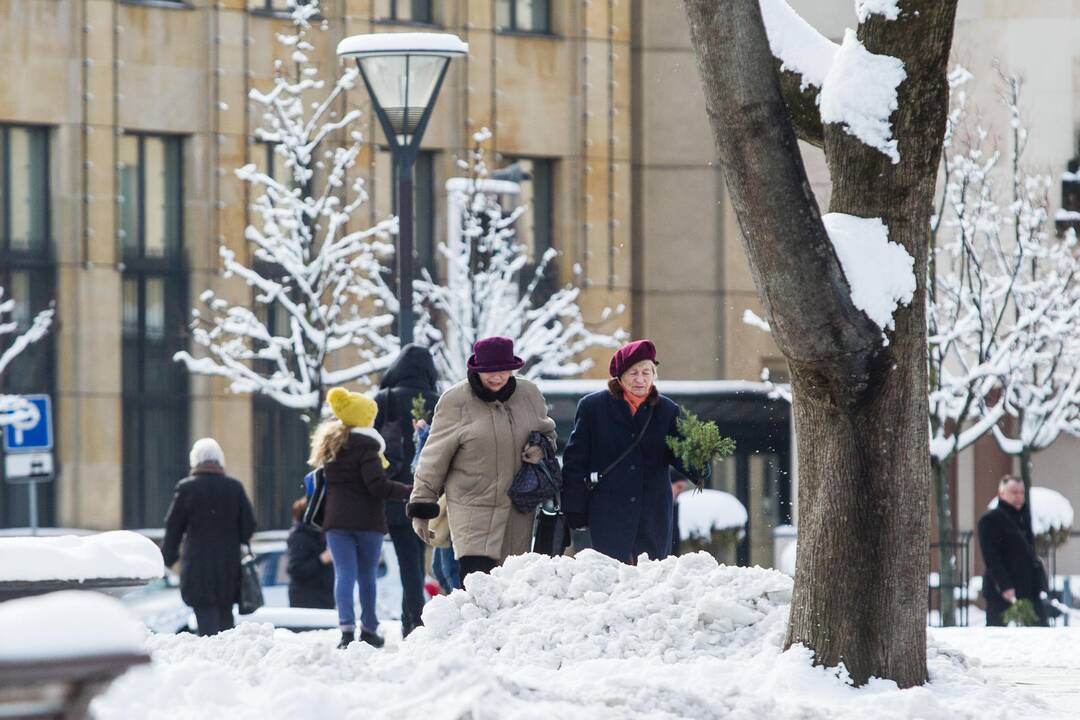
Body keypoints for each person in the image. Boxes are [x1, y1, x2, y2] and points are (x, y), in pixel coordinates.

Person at [407, 336, 557, 582]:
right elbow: (433, 457)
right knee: (478, 588)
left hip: (518, 511)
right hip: (471, 510)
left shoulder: (529, 394)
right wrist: (422, 507)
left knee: (513, 589)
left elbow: (548, 434)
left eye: (503, 370)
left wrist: (540, 450)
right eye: (489, 371)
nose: (497, 377)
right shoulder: (455, 401)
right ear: (476, 369)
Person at [560, 339, 705, 564]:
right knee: (609, 574)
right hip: (608, 510)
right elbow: (575, 461)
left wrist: (699, 463)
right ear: (619, 376)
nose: (640, 379)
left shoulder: (667, 410)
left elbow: (680, 454)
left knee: (650, 575)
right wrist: (574, 507)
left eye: (647, 372)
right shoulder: (593, 407)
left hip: (653, 511)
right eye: (633, 373)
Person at [312, 386, 413, 649]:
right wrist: (409, 491)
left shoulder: (332, 446)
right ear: (365, 418)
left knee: (343, 573)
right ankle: (368, 628)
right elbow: (377, 486)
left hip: (336, 522)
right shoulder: (367, 447)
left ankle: (346, 629)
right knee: (367, 575)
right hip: (367, 521)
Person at [374, 344, 440, 638]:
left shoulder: (383, 400)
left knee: (408, 560)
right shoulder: (439, 402)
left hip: (395, 492)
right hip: (428, 490)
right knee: (415, 557)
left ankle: (412, 619)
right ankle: (412, 619)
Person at [162, 438, 257, 637]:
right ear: (220, 461)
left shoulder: (187, 488)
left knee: (205, 620)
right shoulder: (234, 488)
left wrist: (168, 559)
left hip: (197, 567)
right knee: (225, 618)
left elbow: (173, 528)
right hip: (228, 567)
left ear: (194, 461)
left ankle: (211, 659)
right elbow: (249, 527)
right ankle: (228, 659)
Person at [977, 475, 1050, 626]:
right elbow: (991, 556)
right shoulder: (990, 519)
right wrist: (1005, 586)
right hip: (1002, 591)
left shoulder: (1025, 516)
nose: (1018, 496)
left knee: (1041, 632)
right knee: (999, 635)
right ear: (1001, 493)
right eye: (1014, 492)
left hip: (1029, 589)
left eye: (1021, 492)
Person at [286, 497, 335, 609]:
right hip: (306, 598)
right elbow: (296, 569)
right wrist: (321, 560)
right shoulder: (299, 536)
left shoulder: (321, 535)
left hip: (324, 595)